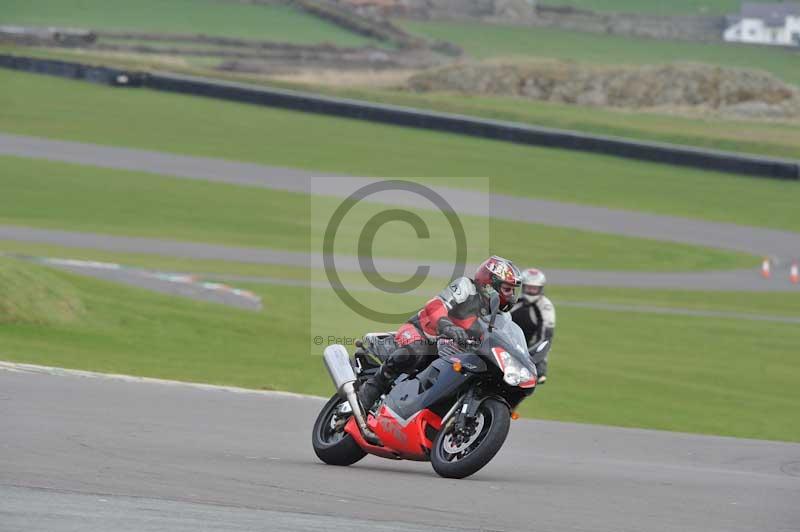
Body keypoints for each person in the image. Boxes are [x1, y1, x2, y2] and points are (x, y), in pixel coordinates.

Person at [357, 256, 522, 410]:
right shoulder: (466, 287)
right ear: (490, 283)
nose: (512, 296)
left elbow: (500, 338)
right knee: (416, 352)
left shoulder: (502, 316)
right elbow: (435, 305)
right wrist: (447, 326)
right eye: (507, 289)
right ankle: (369, 392)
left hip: (453, 350)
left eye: (513, 291)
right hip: (423, 334)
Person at [510, 268, 556, 384]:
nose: (531, 291)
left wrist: (526, 356)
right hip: (507, 348)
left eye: (534, 288)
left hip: (531, 357)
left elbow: (545, 339)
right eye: (528, 287)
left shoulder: (545, 307)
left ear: (541, 289)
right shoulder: (515, 301)